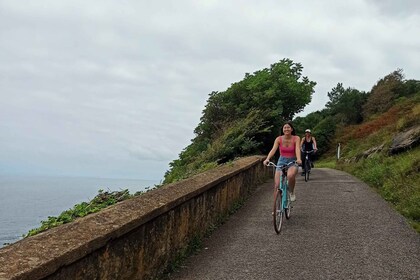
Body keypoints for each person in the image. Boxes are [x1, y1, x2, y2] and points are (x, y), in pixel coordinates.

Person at [263, 122, 302, 202]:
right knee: (277, 185)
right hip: (281, 160)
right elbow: (273, 149)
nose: (286, 129)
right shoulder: (279, 139)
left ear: (291, 129)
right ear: (282, 130)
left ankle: (291, 192)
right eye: (285, 127)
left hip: (292, 160)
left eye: (288, 127)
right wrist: (267, 158)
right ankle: (276, 207)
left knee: (290, 176)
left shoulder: (296, 138)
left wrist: (298, 159)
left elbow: (297, 149)